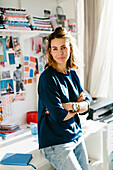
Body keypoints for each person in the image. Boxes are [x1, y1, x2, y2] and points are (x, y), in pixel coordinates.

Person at [38, 27, 90, 170]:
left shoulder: (72, 74)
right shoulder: (47, 78)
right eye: (54, 48)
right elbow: (58, 116)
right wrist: (77, 106)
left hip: (76, 135)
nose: (59, 52)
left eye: (63, 47)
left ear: (70, 49)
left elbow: (87, 106)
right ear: (50, 51)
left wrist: (69, 106)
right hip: (56, 142)